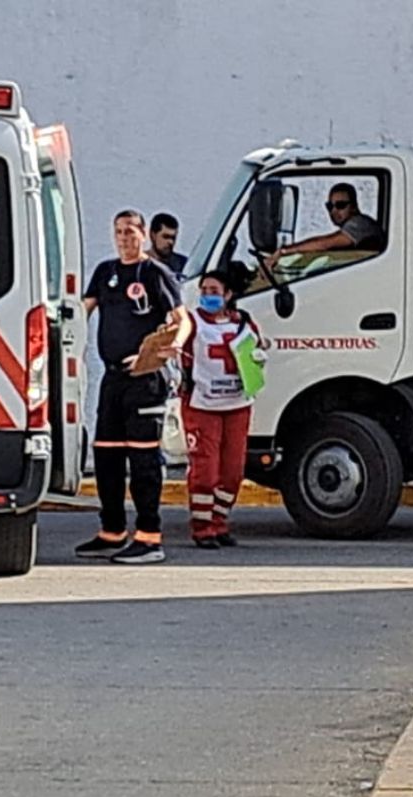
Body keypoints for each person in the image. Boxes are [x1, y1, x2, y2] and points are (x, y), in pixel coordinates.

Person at [76, 210, 190, 564]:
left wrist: (175, 344)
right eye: (118, 232)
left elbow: (181, 320)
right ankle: (112, 531)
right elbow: (83, 310)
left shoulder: (155, 273)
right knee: (107, 456)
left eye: (130, 232)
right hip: (113, 379)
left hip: (145, 379)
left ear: (143, 235)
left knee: (142, 460)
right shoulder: (106, 272)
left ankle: (149, 538)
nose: (124, 238)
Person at [179, 268, 268, 548]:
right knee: (206, 469)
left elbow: (258, 350)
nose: (207, 296)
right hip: (201, 405)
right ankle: (202, 527)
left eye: (214, 291)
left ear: (229, 295)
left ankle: (219, 522)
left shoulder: (243, 322)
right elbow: (177, 341)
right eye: (204, 291)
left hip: (238, 405)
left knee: (232, 470)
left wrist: (261, 351)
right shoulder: (192, 322)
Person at [265, 183, 384, 266]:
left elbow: (325, 243)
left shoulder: (360, 224)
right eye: (330, 206)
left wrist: (284, 251)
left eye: (340, 205)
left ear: (354, 206)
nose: (334, 211)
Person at [148, 212, 188, 278]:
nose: (170, 242)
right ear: (153, 235)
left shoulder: (183, 264)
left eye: (173, 238)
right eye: (166, 237)